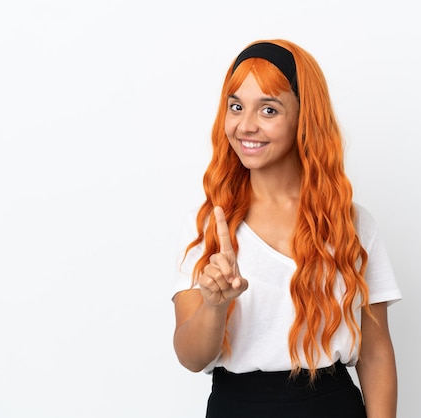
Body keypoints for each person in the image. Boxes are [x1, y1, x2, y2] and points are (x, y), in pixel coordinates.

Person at [171, 39, 402, 418]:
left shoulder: (353, 224)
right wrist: (215, 306)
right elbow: (191, 358)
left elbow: (376, 354)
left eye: (268, 109)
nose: (246, 125)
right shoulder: (208, 226)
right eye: (236, 106)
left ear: (304, 116)